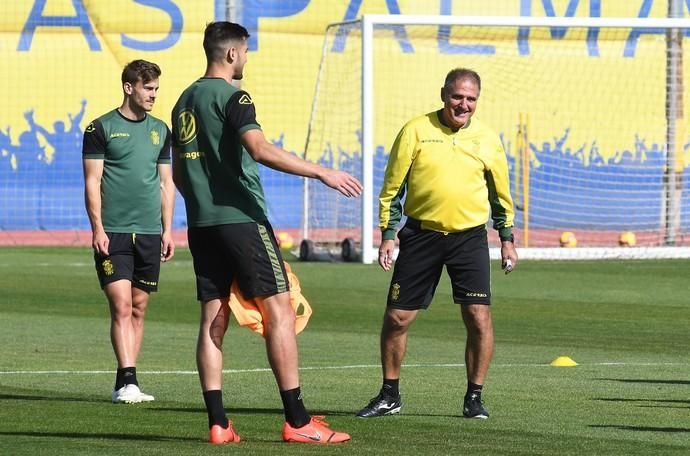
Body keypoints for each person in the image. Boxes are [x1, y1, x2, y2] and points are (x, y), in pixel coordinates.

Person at [171, 22, 361, 445]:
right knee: (280, 311)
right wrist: (321, 172)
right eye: (246, 53)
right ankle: (297, 420)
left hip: (202, 224)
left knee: (212, 320)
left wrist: (204, 203)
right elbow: (259, 148)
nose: (246, 61)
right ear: (233, 54)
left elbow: (181, 172)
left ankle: (219, 424)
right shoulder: (233, 96)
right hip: (242, 220)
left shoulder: (184, 100)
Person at [356, 68, 518, 420]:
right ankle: (390, 395)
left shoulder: (488, 139)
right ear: (444, 93)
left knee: (478, 317)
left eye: (471, 99)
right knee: (397, 318)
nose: (463, 104)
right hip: (421, 236)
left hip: (470, 238)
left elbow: (500, 194)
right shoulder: (416, 130)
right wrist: (388, 234)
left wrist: (507, 239)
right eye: (457, 96)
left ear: (478, 100)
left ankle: (474, 397)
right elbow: (393, 186)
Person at [82, 59, 175, 404]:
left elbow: (166, 184)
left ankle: (123, 381)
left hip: (150, 233)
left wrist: (168, 231)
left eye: (156, 89)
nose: (153, 95)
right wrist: (97, 228)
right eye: (148, 88)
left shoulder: (161, 130)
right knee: (120, 304)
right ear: (129, 87)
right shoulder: (99, 128)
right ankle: (130, 382)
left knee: (138, 307)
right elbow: (92, 182)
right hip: (114, 233)